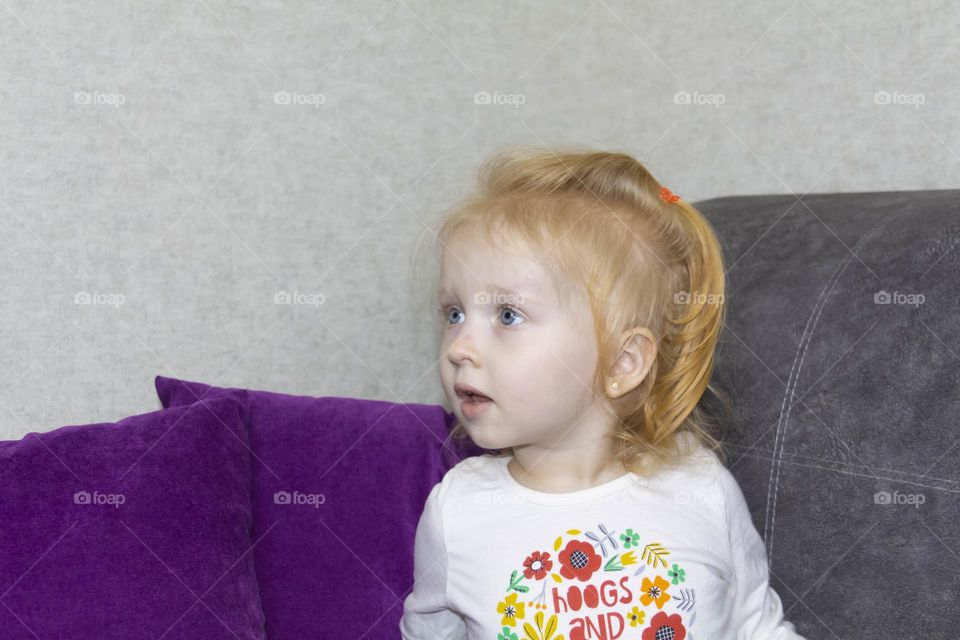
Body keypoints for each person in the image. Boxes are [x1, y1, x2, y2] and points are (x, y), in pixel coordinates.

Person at [400, 146, 805, 639]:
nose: (460, 346)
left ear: (622, 362)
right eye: (454, 313)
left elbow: (758, 627)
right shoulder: (456, 512)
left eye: (508, 315)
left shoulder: (701, 488)